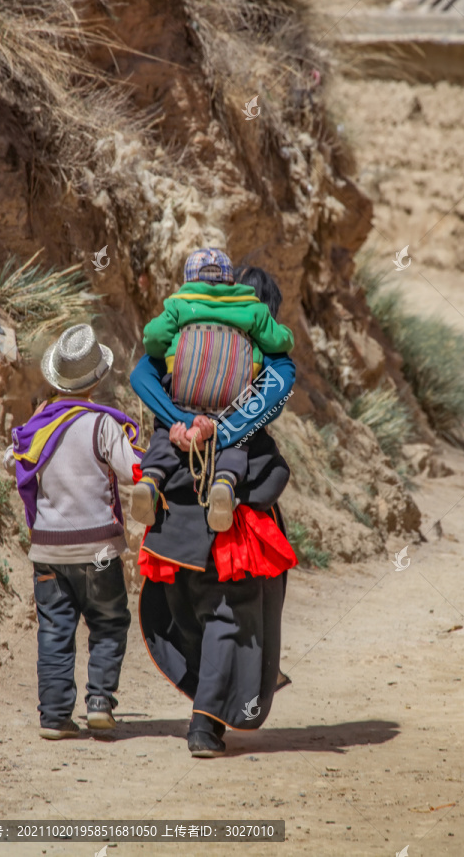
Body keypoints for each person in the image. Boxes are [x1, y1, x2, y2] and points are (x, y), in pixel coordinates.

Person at [131, 267, 298, 757]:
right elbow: (271, 476)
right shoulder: (264, 377)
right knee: (229, 618)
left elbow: (142, 372)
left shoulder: (173, 376)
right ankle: (205, 724)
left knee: (190, 616)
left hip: (171, 537)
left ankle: (210, 704)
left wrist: (184, 423)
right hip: (230, 540)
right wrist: (225, 446)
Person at [4, 324, 143, 740]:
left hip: (47, 553)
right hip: (98, 549)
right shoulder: (102, 426)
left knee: (54, 631)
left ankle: (54, 716)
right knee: (109, 621)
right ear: (97, 379)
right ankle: (99, 703)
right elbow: (133, 471)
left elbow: (13, 462)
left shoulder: (36, 428)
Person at [132, 249, 294, 532]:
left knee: (161, 435)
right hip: (229, 417)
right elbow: (274, 397)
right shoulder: (258, 323)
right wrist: (219, 433)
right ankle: (225, 484)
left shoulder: (179, 308)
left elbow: (146, 361)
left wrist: (181, 422)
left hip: (183, 414)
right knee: (274, 470)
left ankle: (151, 480)